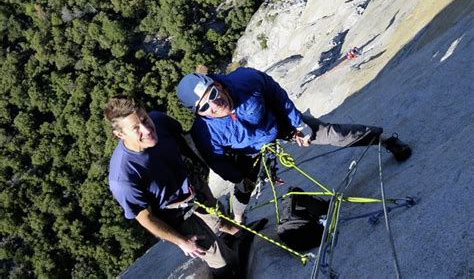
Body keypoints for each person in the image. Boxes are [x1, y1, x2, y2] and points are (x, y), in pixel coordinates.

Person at [176, 67, 411, 223]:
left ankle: (386, 139)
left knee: (333, 134)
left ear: (218, 84)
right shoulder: (204, 132)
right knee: (243, 190)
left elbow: (276, 95)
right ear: (198, 113)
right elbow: (217, 160)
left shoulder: (246, 80)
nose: (215, 104)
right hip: (248, 151)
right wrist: (239, 176)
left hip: (277, 123)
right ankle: (239, 222)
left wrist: (299, 125)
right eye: (205, 107)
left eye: (213, 93)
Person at [104, 95, 239, 278]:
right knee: (221, 259)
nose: (147, 129)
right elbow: (146, 218)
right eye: (135, 128)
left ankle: (236, 236)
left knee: (222, 220)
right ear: (120, 135)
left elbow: (184, 140)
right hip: (173, 214)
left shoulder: (160, 121)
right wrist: (182, 241)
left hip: (190, 186)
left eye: (144, 119)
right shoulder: (123, 177)